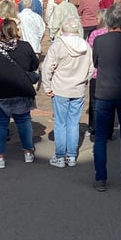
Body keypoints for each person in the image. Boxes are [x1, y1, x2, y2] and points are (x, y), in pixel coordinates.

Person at [91, 4, 121, 191]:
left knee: (101, 138)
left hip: (104, 91)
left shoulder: (99, 40)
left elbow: (95, 62)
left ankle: (100, 178)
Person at [0, 19, 39, 168]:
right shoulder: (24, 46)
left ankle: (0, 157)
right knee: (24, 121)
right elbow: (34, 64)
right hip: (21, 90)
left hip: (0, 92)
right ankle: (28, 152)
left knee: (0, 123)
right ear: (15, 30)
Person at [41, 16, 93, 168]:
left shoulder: (58, 45)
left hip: (60, 88)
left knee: (60, 123)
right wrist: (83, 81)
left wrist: (47, 86)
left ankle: (60, 156)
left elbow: (47, 67)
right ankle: (71, 155)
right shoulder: (85, 46)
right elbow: (91, 68)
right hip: (78, 89)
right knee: (73, 123)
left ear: (62, 28)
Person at [86, 9, 109, 140]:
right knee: (107, 103)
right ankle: (107, 130)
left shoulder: (94, 34)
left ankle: (93, 128)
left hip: (95, 72)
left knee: (94, 102)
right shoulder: (111, 33)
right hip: (109, 73)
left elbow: (89, 52)